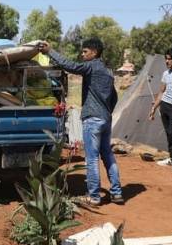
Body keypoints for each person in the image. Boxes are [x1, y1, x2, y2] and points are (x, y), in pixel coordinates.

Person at [40, 38, 123, 206]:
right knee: (108, 155)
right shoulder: (108, 71)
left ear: (94, 52)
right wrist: (106, 112)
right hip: (105, 119)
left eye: (85, 51)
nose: (82, 54)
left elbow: (71, 66)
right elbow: (114, 97)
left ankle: (94, 196)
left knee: (91, 159)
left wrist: (50, 52)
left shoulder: (91, 66)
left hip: (92, 119)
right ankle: (117, 193)